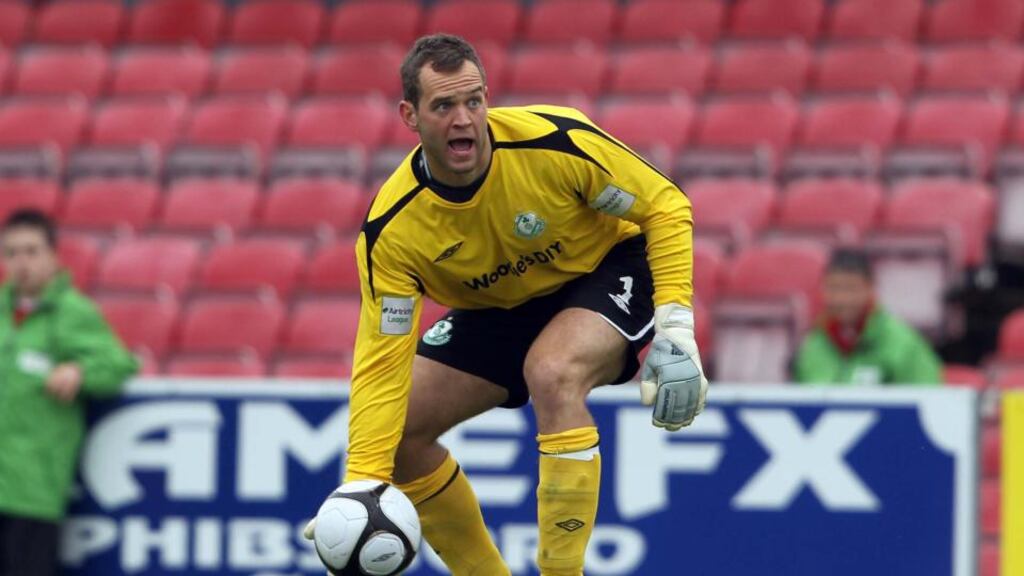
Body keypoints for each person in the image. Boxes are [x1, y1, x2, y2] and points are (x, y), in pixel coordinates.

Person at [304, 34, 707, 576]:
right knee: (399, 435)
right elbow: (382, 360)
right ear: (410, 115)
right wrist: (362, 480)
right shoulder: (392, 233)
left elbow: (664, 205)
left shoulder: (554, 142)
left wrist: (676, 327)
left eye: (473, 100)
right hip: (500, 307)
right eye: (443, 106)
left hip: (606, 267)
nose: (464, 119)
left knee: (553, 370)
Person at [0, 209, 138, 576]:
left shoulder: (72, 313)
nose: (21, 263)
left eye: (31, 251)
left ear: (52, 256)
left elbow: (119, 364)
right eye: (12, 253)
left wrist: (80, 370)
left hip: (34, 488)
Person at [794, 247, 942, 386]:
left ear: (870, 289)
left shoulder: (902, 343)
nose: (841, 298)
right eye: (833, 288)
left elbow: (930, 401)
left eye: (850, 288)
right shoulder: (813, 344)